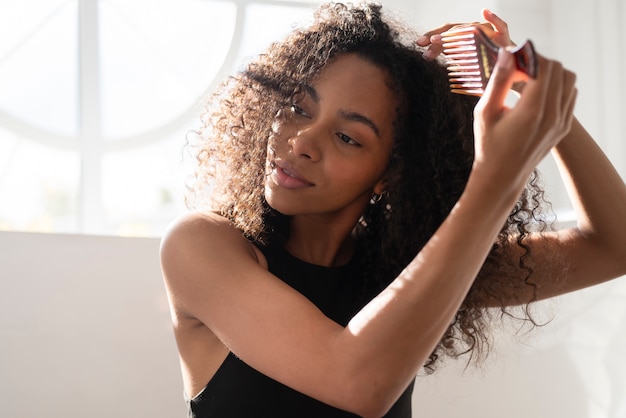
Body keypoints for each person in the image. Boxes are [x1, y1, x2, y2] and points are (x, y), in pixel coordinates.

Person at [160, 2, 626, 417]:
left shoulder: (408, 266)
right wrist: (493, 180)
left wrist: (530, 84)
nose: (301, 142)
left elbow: (615, 246)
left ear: (391, 173)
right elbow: (359, 384)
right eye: (299, 108)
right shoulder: (201, 245)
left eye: (347, 137)